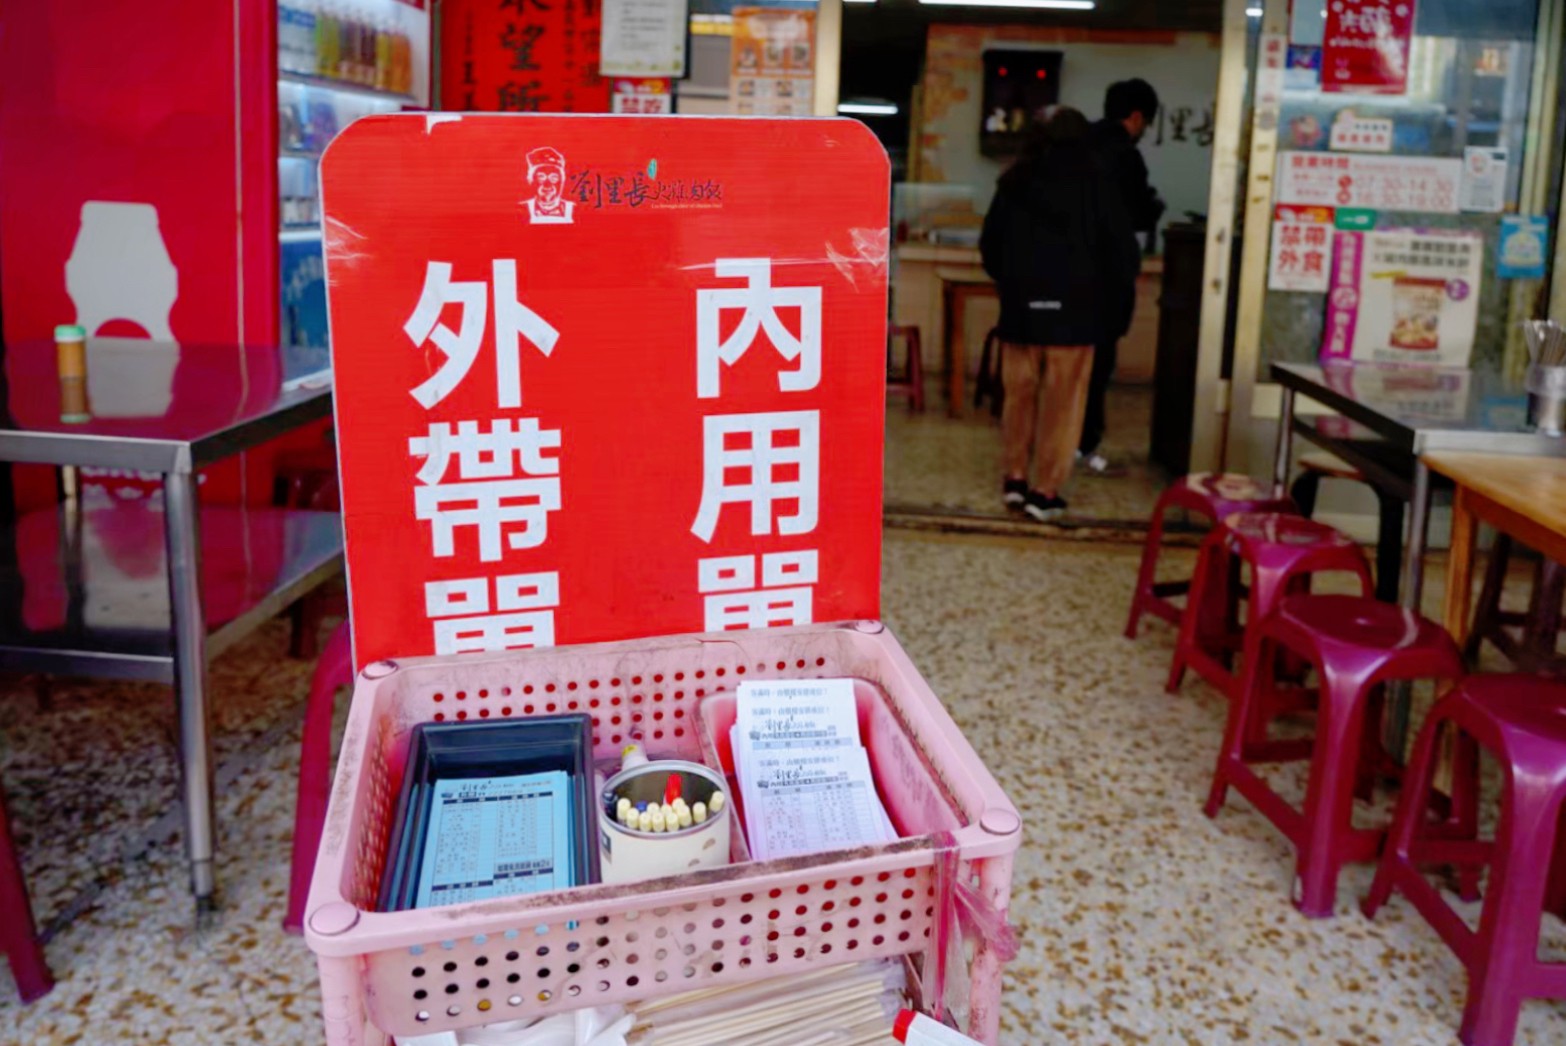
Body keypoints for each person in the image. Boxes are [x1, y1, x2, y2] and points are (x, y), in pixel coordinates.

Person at [980, 107, 1141, 522]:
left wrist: (1016, 286)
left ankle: (1015, 478)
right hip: (1075, 316)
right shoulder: (1098, 184)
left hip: (1020, 315)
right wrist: (1109, 305)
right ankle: (1044, 491)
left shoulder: (1014, 182)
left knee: (1019, 398)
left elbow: (990, 247)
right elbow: (1121, 254)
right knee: (1063, 405)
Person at [1078, 78, 1165, 476]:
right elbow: (1139, 212)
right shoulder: (1125, 157)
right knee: (1098, 362)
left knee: (1066, 362)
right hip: (1107, 276)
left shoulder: (1076, 148)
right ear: (1135, 117)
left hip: (1069, 272)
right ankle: (1085, 442)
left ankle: (1058, 441)